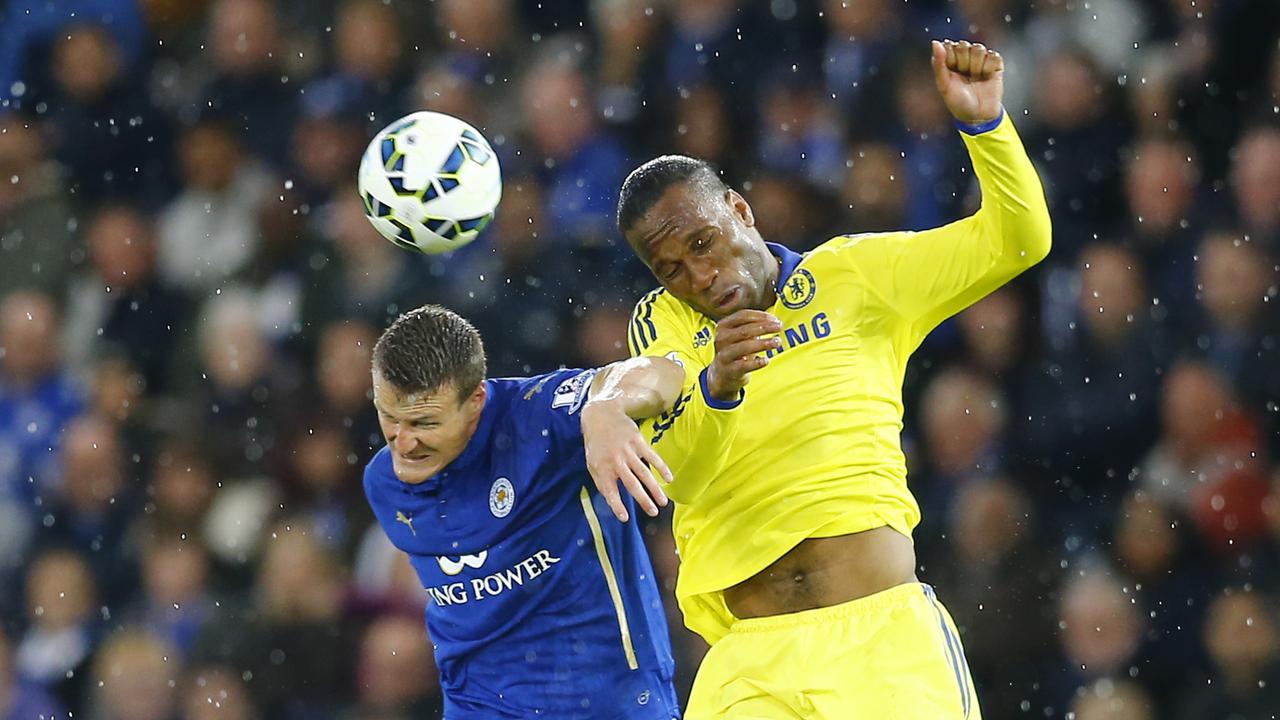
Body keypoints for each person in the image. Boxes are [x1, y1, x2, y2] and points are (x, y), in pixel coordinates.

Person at [612, 39, 1051, 718]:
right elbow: (676, 475)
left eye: (701, 243)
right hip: (751, 661)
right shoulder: (663, 326)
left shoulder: (856, 276)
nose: (697, 276)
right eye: (671, 267)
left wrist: (984, 127)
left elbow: (1018, 239)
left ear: (739, 210)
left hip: (882, 644)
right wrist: (717, 388)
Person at [362, 304, 685, 719]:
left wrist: (607, 406)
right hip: (477, 706)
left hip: (611, 703)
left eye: (425, 423)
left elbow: (663, 371)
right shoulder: (385, 484)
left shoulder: (540, 419)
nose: (402, 443)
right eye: (389, 417)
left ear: (476, 399)